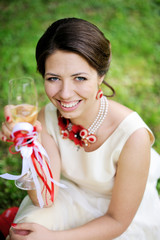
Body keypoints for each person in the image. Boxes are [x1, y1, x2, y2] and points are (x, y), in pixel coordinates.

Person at [0, 17, 160, 240]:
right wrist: (27, 143)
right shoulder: (46, 117)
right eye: (53, 78)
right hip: (70, 197)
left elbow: (117, 221)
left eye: (80, 78)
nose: (65, 94)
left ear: (101, 76)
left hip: (121, 218)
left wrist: (52, 237)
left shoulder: (133, 136)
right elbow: (45, 198)